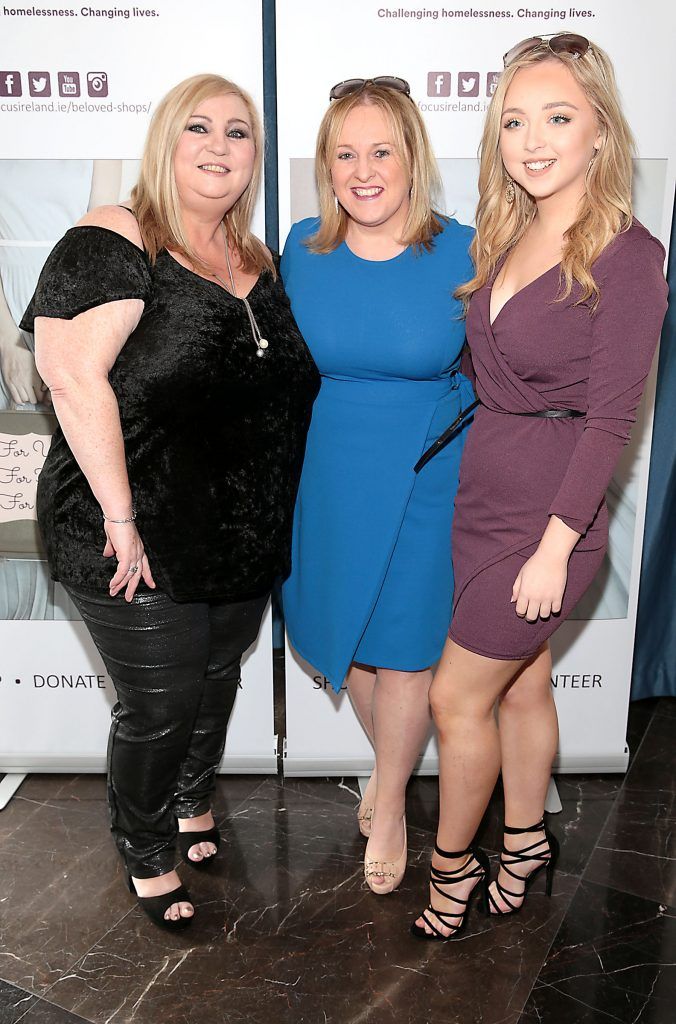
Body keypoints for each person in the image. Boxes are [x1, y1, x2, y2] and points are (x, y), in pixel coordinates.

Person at [21, 74, 319, 930]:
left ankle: (192, 801)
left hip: (238, 533)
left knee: (216, 678)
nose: (220, 146)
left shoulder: (255, 257)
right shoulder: (116, 237)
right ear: (164, 141)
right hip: (128, 531)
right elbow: (71, 378)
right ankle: (144, 844)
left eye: (239, 132)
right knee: (160, 704)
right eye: (199, 127)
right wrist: (122, 518)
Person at [412, 34, 668, 940]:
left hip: (550, 515)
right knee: (520, 686)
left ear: (601, 131)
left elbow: (610, 421)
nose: (533, 139)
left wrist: (559, 546)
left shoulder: (630, 256)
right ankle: (524, 843)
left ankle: (452, 871)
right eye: (515, 120)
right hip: (486, 493)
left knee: (456, 698)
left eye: (558, 117)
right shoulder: (509, 229)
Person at [281, 78, 475, 894]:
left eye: (381, 151)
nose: (363, 171)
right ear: (327, 165)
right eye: (345, 153)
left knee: (402, 651)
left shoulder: (467, 246)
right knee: (346, 644)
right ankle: (387, 771)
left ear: (412, 157)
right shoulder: (302, 247)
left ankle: (389, 802)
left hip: (429, 465)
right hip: (331, 467)